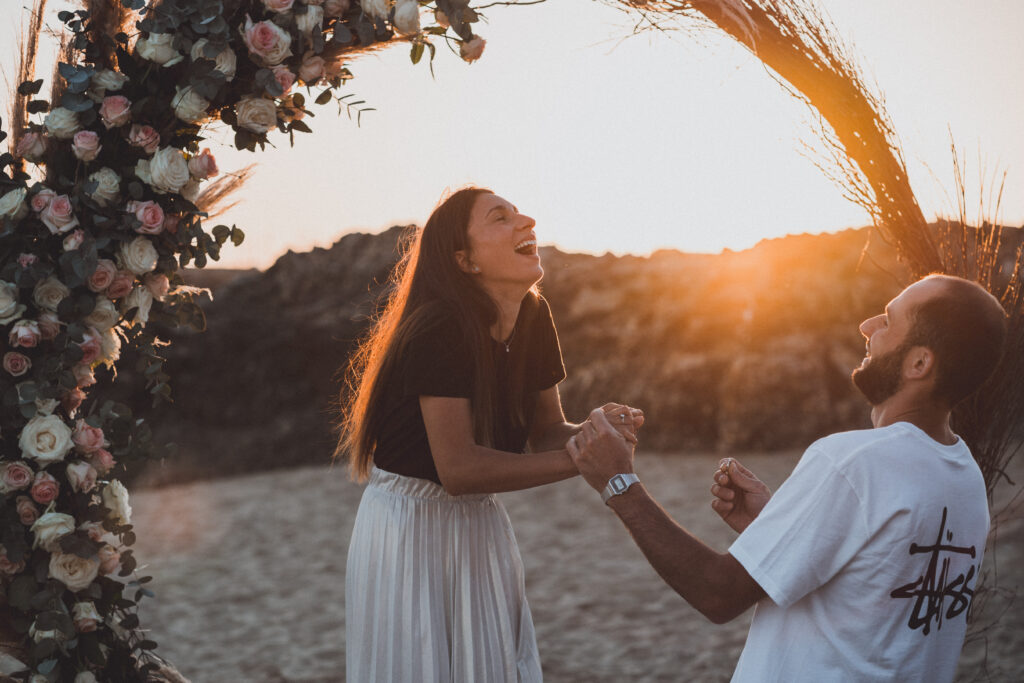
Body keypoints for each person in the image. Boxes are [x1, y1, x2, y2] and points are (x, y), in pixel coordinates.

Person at [567, 274, 1007, 682]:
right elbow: (877, 596)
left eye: (889, 320)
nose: (867, 324)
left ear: (919, 363)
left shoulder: (853, 461)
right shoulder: (965, 476)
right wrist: (776, 528)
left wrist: (619, 482)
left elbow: (718, 594)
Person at [338, 187, 642, 682]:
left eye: (518, 212)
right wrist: (587, 457)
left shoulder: (535, 316)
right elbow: (458, 470)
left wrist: (596, 431)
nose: (527, 221)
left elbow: (545, 432)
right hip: (410, 526)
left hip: (480, 522)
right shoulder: (440, 326)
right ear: (465, 260)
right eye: (501, 218)